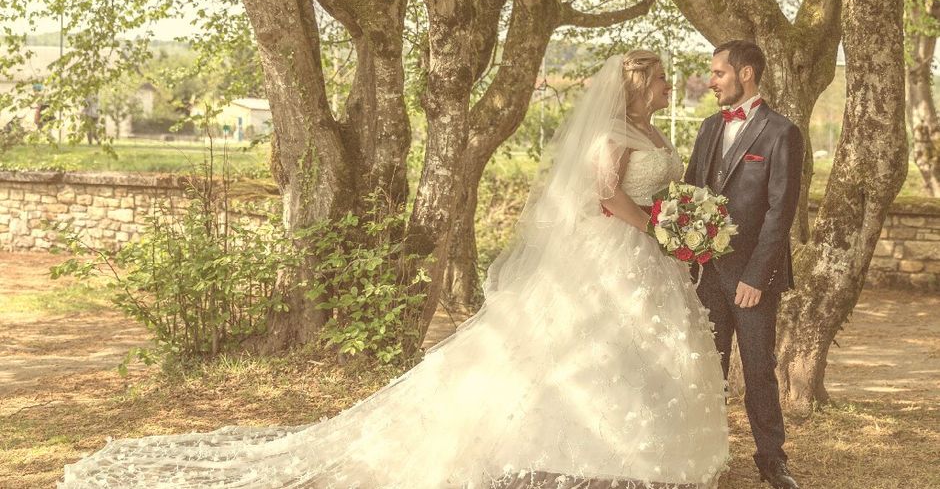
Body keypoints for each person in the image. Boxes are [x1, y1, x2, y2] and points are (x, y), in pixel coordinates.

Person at [61, 52, 730, 488]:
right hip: (614, 251)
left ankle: (644, 450)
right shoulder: (609, 136)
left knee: (632, 349)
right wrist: (659, 232)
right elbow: (606, 197)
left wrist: (678, 222)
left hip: (645, 256)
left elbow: (651, 190)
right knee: (585, 347)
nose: (673, 86)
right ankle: (580, 448)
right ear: (639, 83)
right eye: (664, 77)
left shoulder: (657, 135)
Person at [684, 40, 803, 489]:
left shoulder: (781, 132)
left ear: (746, 73)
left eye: (719, 73)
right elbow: (692, 191)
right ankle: (706, 453)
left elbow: (780, 211)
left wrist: (757, 276)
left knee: (757, 371)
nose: (711, 81)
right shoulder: (710, 126)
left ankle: (772, 461)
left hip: (753, 277)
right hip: (708, 275)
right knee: (706, 368)